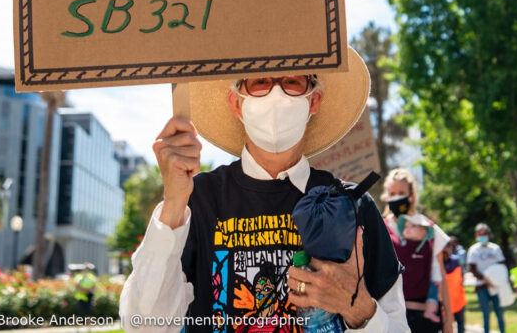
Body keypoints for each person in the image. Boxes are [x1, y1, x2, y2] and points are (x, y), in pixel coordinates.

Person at [119, 50, 408, 333]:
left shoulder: (354, 206)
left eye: (293, 81)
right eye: (259, 81)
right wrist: (173, 204)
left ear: (313, 100)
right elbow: (143, 325)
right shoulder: (196, 200)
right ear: (236, 103)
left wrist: (357, 308)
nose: (276, 94)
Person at [381, 168, 454, 333]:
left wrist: (449, 320)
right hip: (391, 320)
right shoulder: (379, 228)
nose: (396, 197)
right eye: (392, 194)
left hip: (425, 318)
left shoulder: (428, 228)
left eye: (401, 192)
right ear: (387, 198)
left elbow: (440, 276)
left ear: (411, 195)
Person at [467, 223, 507, 333]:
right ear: (476, 235)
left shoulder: (495, 248)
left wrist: (495, 280)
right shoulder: (473, 250)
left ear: (489, 235)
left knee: (499, 312)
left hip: (496, 286)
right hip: (482, 286)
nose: (482, 236)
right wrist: (485, 279)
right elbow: (472, 268)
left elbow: (502, 264)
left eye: (485, 234)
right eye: (480, 234)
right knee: (486, 313)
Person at [441, 240, 467, 333]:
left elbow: (461, 277)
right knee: (446, 324)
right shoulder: (438, 262)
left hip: (458, 298)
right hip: (444, 299)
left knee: (460, 323)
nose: (446, 250)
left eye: (448, 247)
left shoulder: (456, 260)